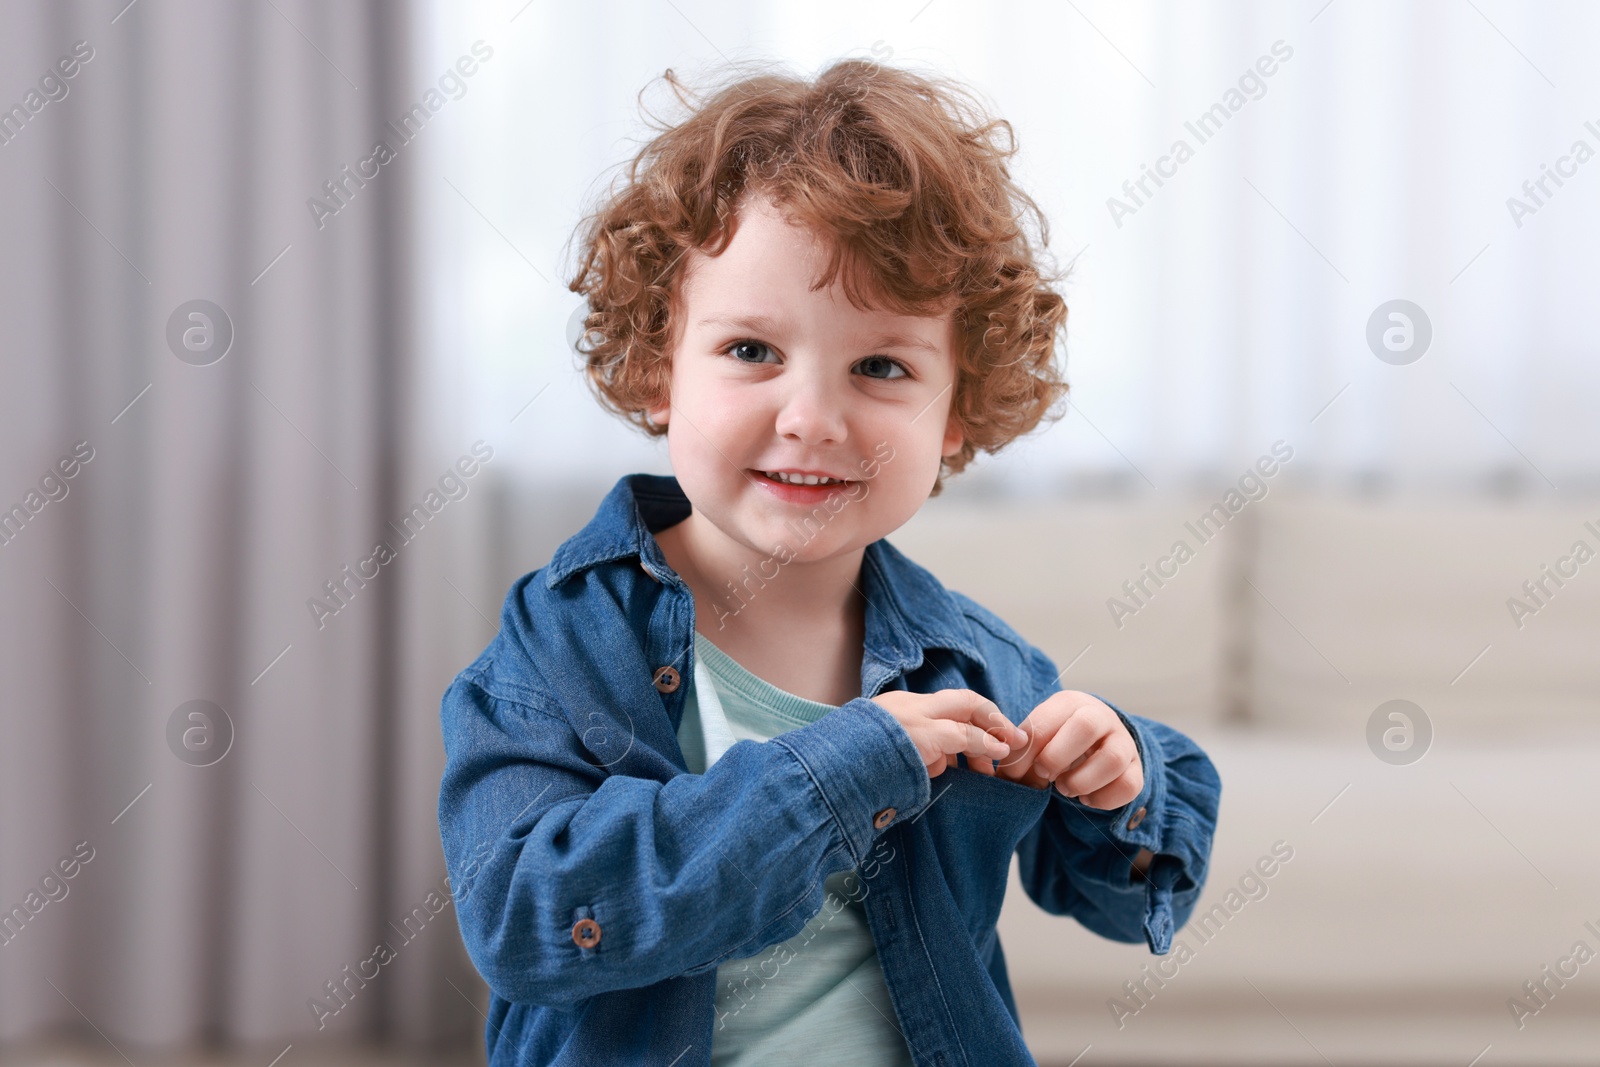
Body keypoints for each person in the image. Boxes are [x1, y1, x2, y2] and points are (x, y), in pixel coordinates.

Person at [437, 56, 1220, 1067]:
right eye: (751, 351)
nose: (809, 418)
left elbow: (1117, 894)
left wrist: (1119, 772)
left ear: (958, 410)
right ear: (655, 363)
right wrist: (836, 772)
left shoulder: (971, 663)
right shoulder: (564, 639)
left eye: (881, 366)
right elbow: (526, 917)